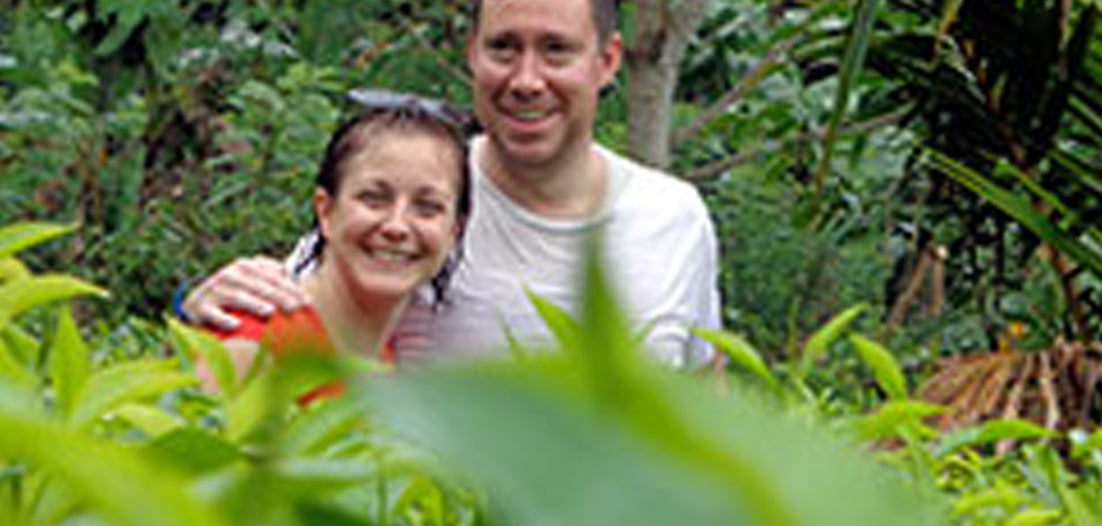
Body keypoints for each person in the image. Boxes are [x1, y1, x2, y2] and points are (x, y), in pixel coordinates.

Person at [183, 0, 720, 369]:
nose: (526, 80)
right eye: (504, 48)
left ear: (607, 61)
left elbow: (703, 394)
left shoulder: (675, 218)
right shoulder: (420, 194)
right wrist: (199, 303)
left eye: (556, 50)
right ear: (472, 53)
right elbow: (283, 316)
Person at [203, 91, 471, 397]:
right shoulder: (253, 344)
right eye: (374, 198)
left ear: (455, 231)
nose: (397, 226)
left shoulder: (385, 368)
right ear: (326, 211)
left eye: (427, 207)